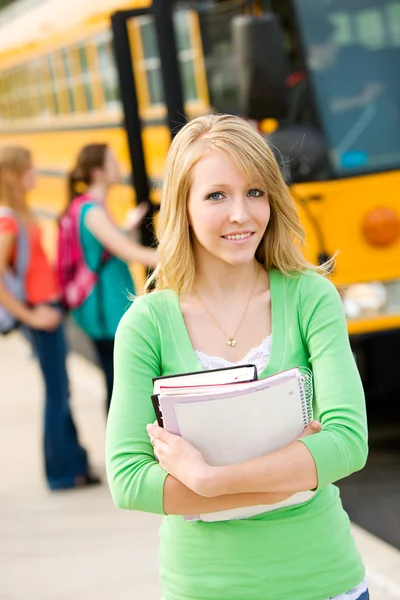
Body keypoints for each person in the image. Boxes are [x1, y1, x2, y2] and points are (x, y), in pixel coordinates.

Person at [106, 115, 369, 600]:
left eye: (255, 192)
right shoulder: (146, 325)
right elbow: (129, 481)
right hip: (205, 588)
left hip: (326, 582)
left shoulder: (311, 298)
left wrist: (208, 481)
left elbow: (348, 444)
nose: (241, 214)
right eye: (215, 195)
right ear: (181, 207)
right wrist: (291, 477)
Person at [0, 145, 98, 490]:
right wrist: (31, 316)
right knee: (57, 392)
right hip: (41, 312)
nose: (35, 175)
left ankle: (74, 462)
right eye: (29, 169)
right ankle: (61, 471)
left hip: (48, 308)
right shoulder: (8, 219)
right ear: (12, 174)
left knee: (61, 390)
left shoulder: (19, 214)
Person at [67, 144, 157, 413]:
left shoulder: (90, 207)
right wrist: (178, 257)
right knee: (119, 384)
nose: (119, 166)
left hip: (105, 305)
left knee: (117, 379)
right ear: (98, 173)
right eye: (113, 162)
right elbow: (126, 251)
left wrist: (127, 226)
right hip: (107, 309)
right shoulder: (92, 211)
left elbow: (106, 246)